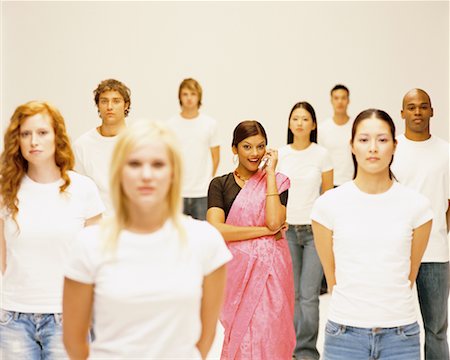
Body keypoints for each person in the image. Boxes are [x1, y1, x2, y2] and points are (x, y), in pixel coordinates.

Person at [63, 120, 231, 359]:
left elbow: (206, 337)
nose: (146, 175)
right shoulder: (89, 244)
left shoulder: (205, 241)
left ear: (173, 172)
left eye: (158, 164)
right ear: (119, 172)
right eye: (134, 164)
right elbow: (74, 340)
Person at [311, 109, 433, 360]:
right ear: (352, 146)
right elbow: (332, 277)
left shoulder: (417, 206)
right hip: (343, 334)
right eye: (364, 140)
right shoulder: (328, 206)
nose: (373, 148)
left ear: (395, 145)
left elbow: (409, 275)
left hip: (400, 335)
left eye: (382, 139)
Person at [0, 101, 104, 359]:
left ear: (57, 136)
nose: (34, 141)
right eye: (25, 134)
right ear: (18, 140)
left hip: (67, 318)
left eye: (42, 133)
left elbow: (96, 260)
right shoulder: (6, 191)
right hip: (12, 318)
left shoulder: (83, 190)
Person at [207, 120, 295, 359]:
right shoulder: (219, 184)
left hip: (271, 271)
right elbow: (216, 229)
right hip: (234, 271)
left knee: (270, 329)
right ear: (234, 149)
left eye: (260, 146)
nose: (255, 153)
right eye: (247, 147)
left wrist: (269, 174)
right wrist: (263, 232)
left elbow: (275, 221)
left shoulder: (278, 182)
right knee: (241, 333)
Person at [391, 88, 449, 359]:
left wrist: (437, 230)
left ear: (432, 111)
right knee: (396, 327)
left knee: (436, 329)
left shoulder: (445, 151)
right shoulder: (392, 149)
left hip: (436, 253)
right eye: (411, 107)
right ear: (402, 113)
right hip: (396, 253)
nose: (417, 112)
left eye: (423, 106)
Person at [277, 102, 333, 360]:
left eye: (305, 118)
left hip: (313, 232)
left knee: (309, 295)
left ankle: (307, 352)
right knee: (293, 294)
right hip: (286, 230)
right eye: (295, 118)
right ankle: (290, 349)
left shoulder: (322, 154)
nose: (300, 123)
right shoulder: (281, 154)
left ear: (313, 124)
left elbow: (329, 197)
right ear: (289, 124)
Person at [74, 78, 131, 215]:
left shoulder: (138, 142)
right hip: (96, 226)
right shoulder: (82, 145)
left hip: (132, 224)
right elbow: (78, 193)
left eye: (116, 101)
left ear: (126, 105)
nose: (110, 107)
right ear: (98, 105)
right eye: (104, 101)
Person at [167, 78, 220, 220]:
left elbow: (215, 156)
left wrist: (207, 180)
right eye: (185, 94)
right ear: (180, 97)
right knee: (177, 236)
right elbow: (167, 156)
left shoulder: (209, 124)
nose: (189, 98)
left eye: (193, 94)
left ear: (199, 97)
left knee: (201, 236)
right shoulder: (170, 124)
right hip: (178, 191)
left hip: (202, 192)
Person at [318, 84, 353, 186]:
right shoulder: (323, 128)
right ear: (331, 101)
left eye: (343, 98)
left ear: (348, 100)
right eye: (336, 98)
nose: (340, 102)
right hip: (329, 184)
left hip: (351, 182)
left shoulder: (356, 127)